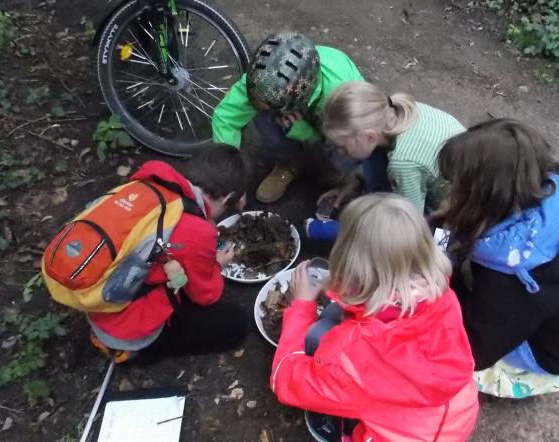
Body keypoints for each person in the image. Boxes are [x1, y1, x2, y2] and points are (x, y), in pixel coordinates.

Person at [437, 119, 559, 398]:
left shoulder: (516, 281)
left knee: (443, 314)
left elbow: (473, 351)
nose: (451, 194)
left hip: (555, 352)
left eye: (458, 187)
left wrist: (441, 279)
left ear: (485, 197)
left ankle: (520, 375)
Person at [270, 193, 479, 442]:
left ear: (348, 270)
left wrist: (301, 307)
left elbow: (285, 380)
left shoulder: (353, 354)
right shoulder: (442, 294)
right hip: (453, 419)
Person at [87, 145, 249, 364]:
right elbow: (205, 295)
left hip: (96, 294)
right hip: (125, 324)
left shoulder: (153, 180)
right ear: (227, 196)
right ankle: (132, 352)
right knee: (236, 326)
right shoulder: (196, 233)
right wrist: (217, 265)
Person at [211, 31, 364, 203]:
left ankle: (342, 173)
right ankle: (289, 163)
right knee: (261, 111)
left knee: (342, 149)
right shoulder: (263, 78)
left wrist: (307, 133)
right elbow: (225, 117)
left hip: (337, 120)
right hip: (298, 106)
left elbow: (361, 137)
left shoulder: (343, 94)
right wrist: (232, 181)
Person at [306, 81, 465, 241]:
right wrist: (356, 182)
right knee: (373, 152)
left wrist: (339, 231)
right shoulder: (398, 111)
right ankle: (374, 193)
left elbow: (410, 226)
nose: (341, 152)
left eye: (342, 147)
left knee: (395, 241)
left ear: (369, 136)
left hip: (456, 217)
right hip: (453, 186)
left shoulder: (403, 163)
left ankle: (448, 248)